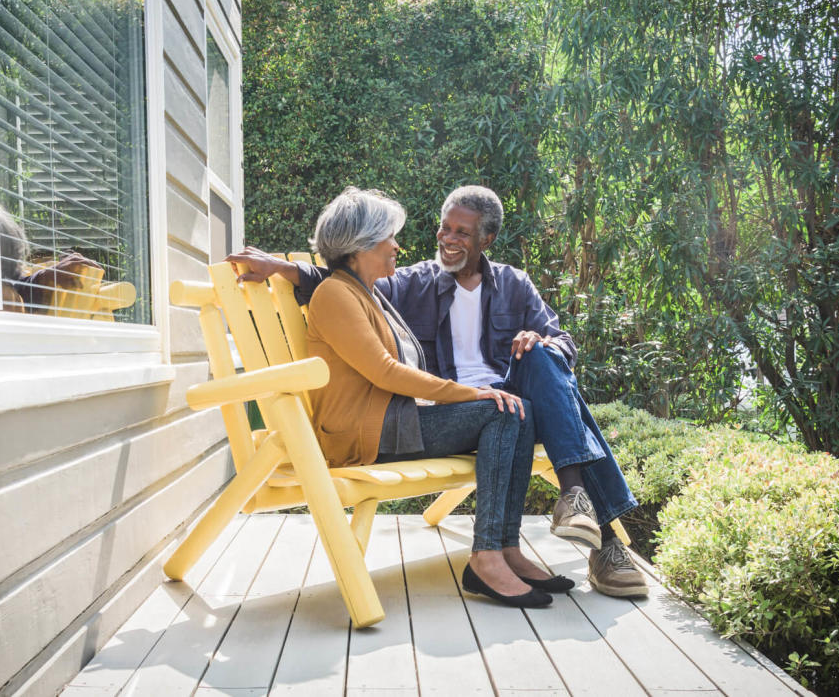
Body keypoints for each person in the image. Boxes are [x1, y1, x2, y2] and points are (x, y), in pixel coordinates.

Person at [229, 185, 649, 598]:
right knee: (516, 408)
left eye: (461, 233)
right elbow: (347, 289)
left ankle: (540, 521)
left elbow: (563, 345)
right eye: (443, 228)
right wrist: (284, 268)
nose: (445, 239)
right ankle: (581, 539)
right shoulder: (405, 285)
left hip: (491, 398)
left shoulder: (514, 285)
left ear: (488, 239)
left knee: (542, 360)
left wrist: (540, 344)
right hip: (433, 410)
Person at [302, 187, 573, 608]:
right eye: (388, 237)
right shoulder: (337, 294)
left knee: (517, 410)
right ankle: (486, 556)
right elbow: (385, 373)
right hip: (365, 437)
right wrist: (470, 394)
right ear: (359, 246)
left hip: (393, 424)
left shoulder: (368, 293)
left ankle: (504, 548)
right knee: (502, 411)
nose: (398, 245)